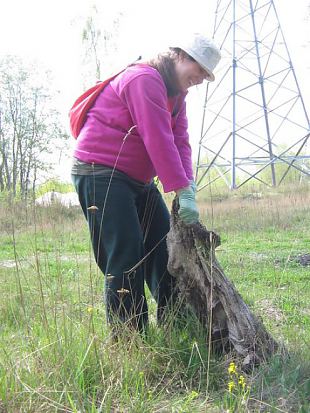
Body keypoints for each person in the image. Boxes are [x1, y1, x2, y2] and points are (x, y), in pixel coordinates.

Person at [71, 33, 221, 333]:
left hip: (138, 181)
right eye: (200, 70)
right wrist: (179, 187)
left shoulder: (177, 95)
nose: (201, 79)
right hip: (101, 174)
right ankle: (130, 341)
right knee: (126, 256)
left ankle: (177, 330)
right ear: (181, 56)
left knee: (164, 252)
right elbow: (158, 138)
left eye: (206, 75)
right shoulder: (144, 79)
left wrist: (188, 187)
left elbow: (180, 141)